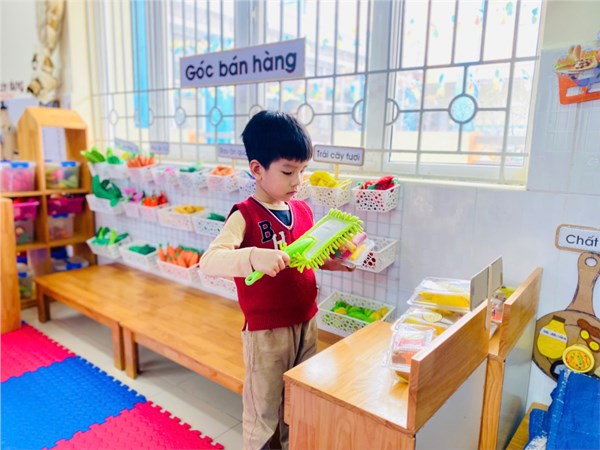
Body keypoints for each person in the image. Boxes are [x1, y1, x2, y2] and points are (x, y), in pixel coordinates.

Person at [200, 110, 352, 450]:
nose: (297, 181)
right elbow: (209, 261)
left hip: (307, 322)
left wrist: (334, 263)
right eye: (287, 172)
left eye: (302, 170)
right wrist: (254, 255)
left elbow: (304, 258)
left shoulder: (302, 211)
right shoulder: (245, 215)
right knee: (265, 411)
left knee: (299, 402)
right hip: (267, 333)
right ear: (257, 169)